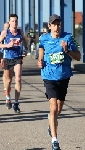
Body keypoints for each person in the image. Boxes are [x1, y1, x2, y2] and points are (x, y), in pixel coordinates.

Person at [37, 14, 81, 150]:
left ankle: (51, 122)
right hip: (49, 76)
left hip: (63, 76)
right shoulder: (43, 38)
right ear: (49, 26)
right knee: (53, 107)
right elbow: (41, 48)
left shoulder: (68, 37)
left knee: (59, 109)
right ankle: (55, 141)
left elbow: (79, 56)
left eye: (58, 24)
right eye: (54, 24)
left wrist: (67, 50)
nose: (56, 27)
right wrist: (40, 60)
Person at [0, 14, 28, 113]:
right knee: (8, 81)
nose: (14, 23)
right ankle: (8, 97)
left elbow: (25, 41)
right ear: (9, 22)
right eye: (12, 21)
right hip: (7, 58)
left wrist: (26, 49)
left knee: (18, 79)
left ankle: (16, 103)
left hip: (17, 58)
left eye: (16, 21)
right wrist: (7, 45)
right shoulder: (5, 32)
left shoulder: (20, 32)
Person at [0, 22, 10, 95]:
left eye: (8, 27)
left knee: (10, 75)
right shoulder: (3, 33)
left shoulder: (12, 33)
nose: (6, 28)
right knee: (5, 73)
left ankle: (7, 85)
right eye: (5, 27)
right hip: (3, 53)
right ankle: (5, 87)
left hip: (11, 55)